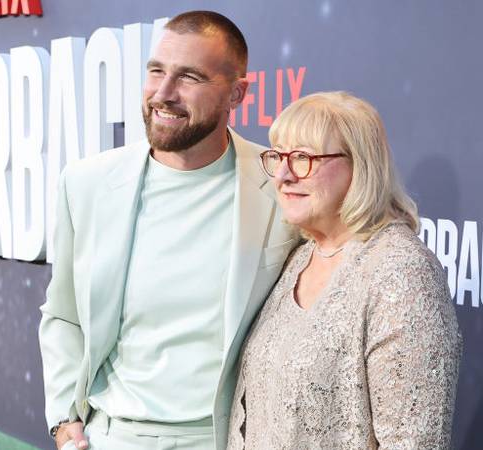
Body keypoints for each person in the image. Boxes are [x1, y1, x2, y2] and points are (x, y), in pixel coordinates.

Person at [38, 11, 298, 450]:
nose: (163, 93)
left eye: (189, 77)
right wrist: (65, 423)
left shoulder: (280, 183)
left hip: (227, 439)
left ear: (237, 93)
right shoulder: (86, 184)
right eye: (156, 71)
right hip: (112, 437)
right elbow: (63, 313)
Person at [227, 91, 463, 449]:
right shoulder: (300, 256)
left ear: (360, 165)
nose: (284, 175)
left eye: (303, 158)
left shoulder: (401, 271)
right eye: (279, 157)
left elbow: (413, 441)